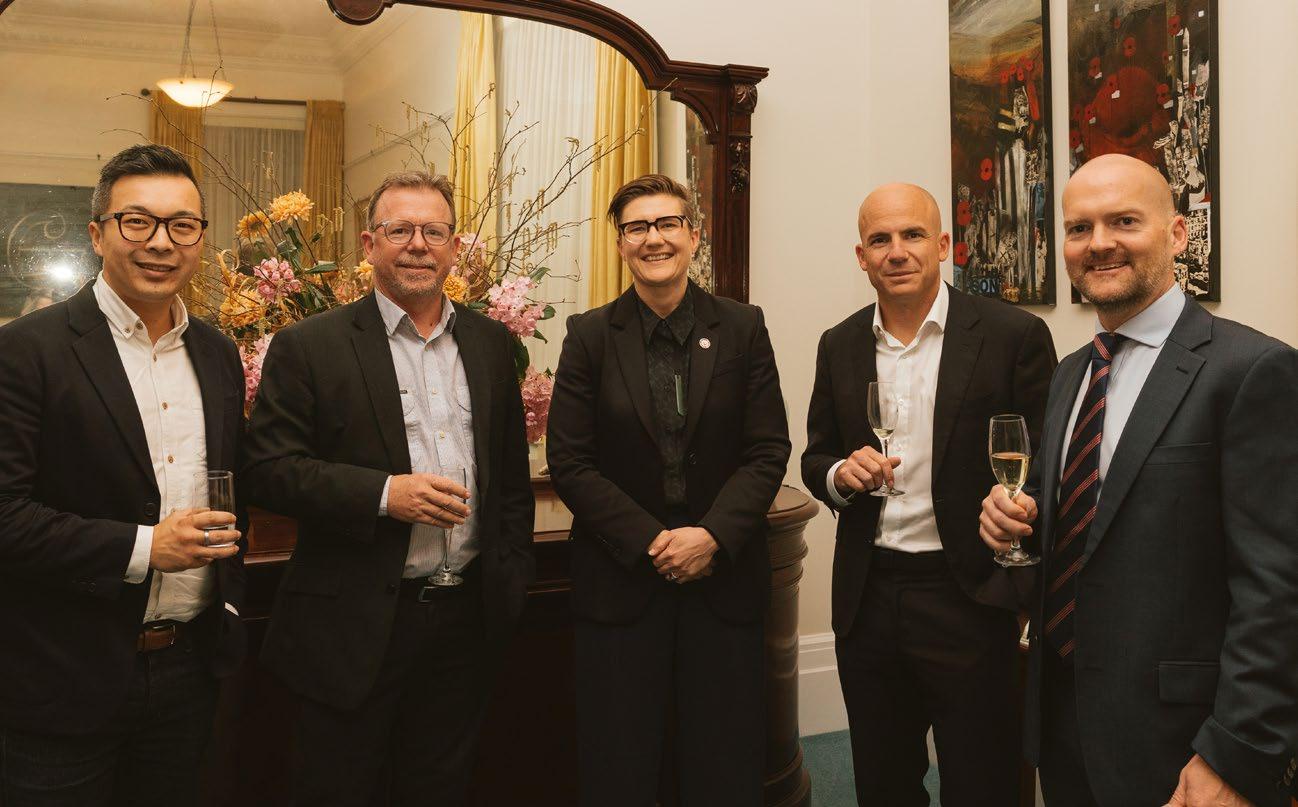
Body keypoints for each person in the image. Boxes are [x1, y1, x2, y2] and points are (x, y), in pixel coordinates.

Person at [980, 154, 1298, 807]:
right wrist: (1017, 518)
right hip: (1062, 721)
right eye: (1079, 228)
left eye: (1124, 221)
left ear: (1177, 234)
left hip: (1182, 742)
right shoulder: (1070, 373)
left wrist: (1234, 755)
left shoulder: (1251, 370)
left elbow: (1278, 589)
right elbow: (1084, 517)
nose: (1099, 243)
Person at [242, 171, 535, 806]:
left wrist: (509, 582)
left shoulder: (490, 343)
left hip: (467, 624)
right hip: (353, 627)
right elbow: (267, 468)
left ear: (455, 247)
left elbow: (511, 479)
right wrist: (382, 495)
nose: (418, 245)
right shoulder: (309, 345)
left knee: (442, 788)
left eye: (433, 231)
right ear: (370, 244)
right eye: (400, 230)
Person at [0, 143, 247, 807]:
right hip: (60, 676)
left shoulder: (217, 353)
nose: (161, 242)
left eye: (182, 225)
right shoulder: (25, 351)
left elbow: (235, 487)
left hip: (189, 671)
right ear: (97, 234)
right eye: (137, 221)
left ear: (200, 239)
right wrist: (144, 547)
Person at [801, 182, 1056, 805]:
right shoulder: (838, 343)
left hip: (969, 595)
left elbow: (1048, 458)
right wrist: (840, 475)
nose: (897, 251)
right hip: (868, 597)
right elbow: (815, 457)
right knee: (883, 782)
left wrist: (1022, 509)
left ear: (943, 245)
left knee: (984, 782)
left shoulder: (1013, 334)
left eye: (912, 235)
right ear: (861, 256)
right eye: (880, 240)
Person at [546, 173, 791, 806]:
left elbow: (767, 450)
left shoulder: (742, 327)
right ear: (620, 244)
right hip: (622, 583)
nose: (653, 238)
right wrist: (654, 542)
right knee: (621, 766)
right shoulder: (588, 336)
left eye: (667, 224)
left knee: (723, 765)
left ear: (694, 235)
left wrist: (710, 536)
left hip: (722, 581)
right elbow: (570, 461)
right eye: (637, 227)